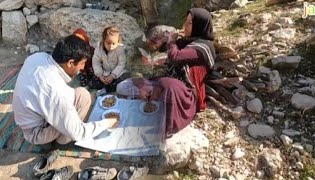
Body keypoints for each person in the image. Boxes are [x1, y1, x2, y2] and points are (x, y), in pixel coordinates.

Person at [116, 8, 216, 138]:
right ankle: (157, 100)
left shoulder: (204, 47)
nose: (185, 26)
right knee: (123, 86)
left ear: (200, 25)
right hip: (165, 83)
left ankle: (169, 123)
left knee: (168, 85)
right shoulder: (187, 41)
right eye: (186, 21)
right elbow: (169, 56)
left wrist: (171, 40)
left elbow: (175, 56)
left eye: (190, 23)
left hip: (184, 93)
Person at [12, 35, 116, 145]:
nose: (82, 68)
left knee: (83, 94)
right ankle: (59, 141)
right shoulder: (56, 92)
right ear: (70, 63)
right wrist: (108, 123)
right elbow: (79, 132)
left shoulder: (38, 57)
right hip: (36, 133)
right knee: (78, 114)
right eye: (82, 63)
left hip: (28, 118)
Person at [92, 25, 130, 95]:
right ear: (103, 41)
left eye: (113, 43)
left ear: (118, 41)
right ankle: (105, 85)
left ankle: (106, 89)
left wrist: (112, 76)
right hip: (105, 72)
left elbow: (121, 64)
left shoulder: (120, 50)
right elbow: (96, 62)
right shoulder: (98, 49)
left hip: (117, 74)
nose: (111, 46)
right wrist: (100, 75)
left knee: (125, 77)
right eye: (108, 43)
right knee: (93, 80)